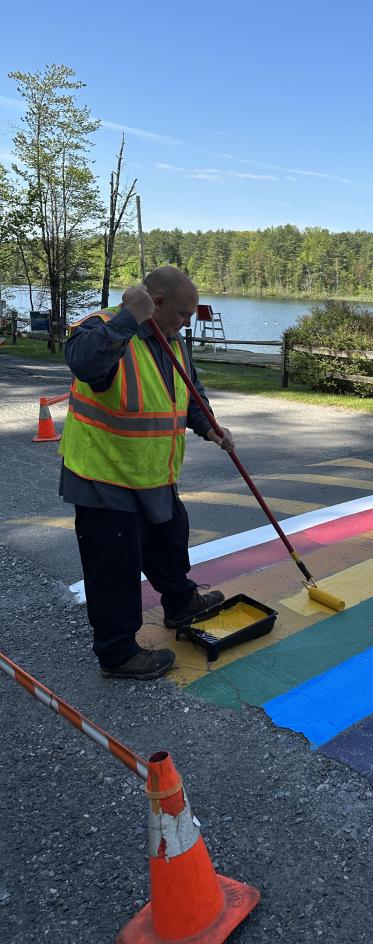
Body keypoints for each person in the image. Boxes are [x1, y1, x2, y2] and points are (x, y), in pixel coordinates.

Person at [59, 266, 234, 680]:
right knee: (114, 568)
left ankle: (179, 603)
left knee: (169, 540)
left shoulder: (170, 341)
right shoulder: (102, 327)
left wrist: (209, 425)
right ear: (156, 304)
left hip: (154, 473)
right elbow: (83, 363)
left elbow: (190, 393)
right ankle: (118, 654)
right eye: (183, 313)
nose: (187, 322)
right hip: (105, 476)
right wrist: (126, 318)